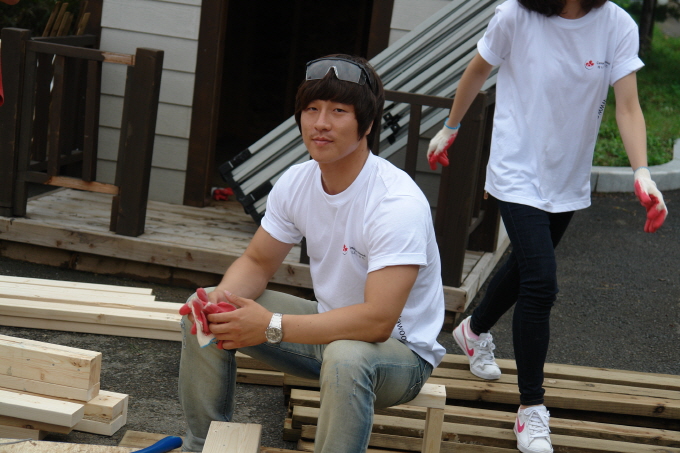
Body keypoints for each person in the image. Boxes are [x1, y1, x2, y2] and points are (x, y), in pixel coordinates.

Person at [426, 1, 668, 453]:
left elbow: (628, 106)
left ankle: (473, 330)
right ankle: (531, 408)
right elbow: (477, 70)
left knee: (526, 267)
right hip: (516, 171)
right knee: (541, 281)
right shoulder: (515, 16)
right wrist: (450, 127)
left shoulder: (617, 24)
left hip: (566, 175)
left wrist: (642, 172)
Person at [178, 54, 446, 453]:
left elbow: (378, 321)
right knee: (206, 310)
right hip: (327, 330)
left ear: (367, 124)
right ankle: (203, 446)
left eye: (338, 111)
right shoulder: (297, 181)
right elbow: (257, 262)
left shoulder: (396, 203)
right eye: (312, 109)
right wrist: (219, 300)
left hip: (397, 355)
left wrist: (272, 325)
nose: (321, 123)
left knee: (347, 357)